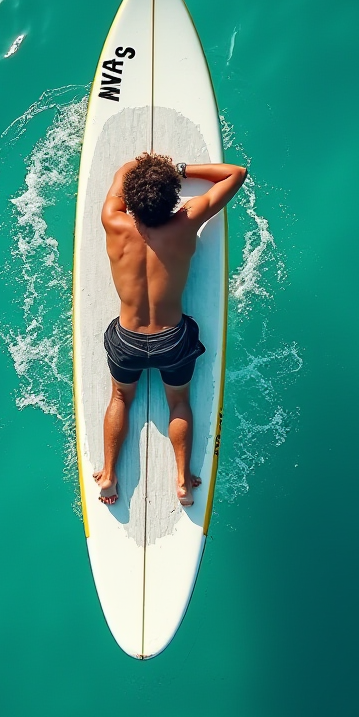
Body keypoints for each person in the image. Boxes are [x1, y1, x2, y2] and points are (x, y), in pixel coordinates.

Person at [94, 153, 247, 506]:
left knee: (120, 397)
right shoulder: (187, 221)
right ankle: (181, 480)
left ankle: (108, 474)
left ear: (131, 201)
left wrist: (141, 168)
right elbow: (235, 174)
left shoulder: (112, 220)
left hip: (128, 340)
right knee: (178, 401)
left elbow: (121, 171)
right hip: (171, 340)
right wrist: (180, 170)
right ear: (173, 200)